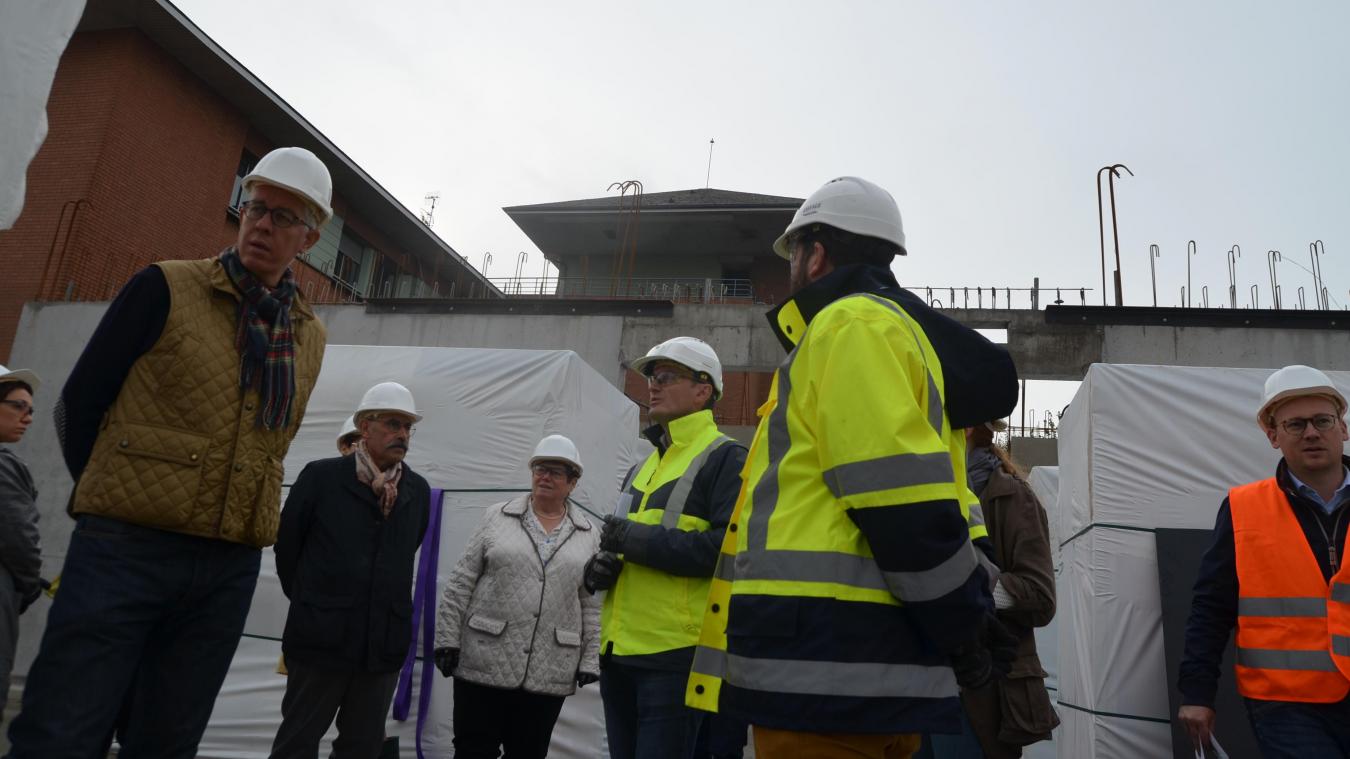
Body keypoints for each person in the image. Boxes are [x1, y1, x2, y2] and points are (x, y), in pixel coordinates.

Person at [8, 146, 332, 756]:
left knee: (167, 741)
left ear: (309, 239)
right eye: (256, 207)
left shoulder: (308, 335)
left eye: (283, 217)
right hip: (124, 551)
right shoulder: (164, 287)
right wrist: (115, 499)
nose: (262, 224)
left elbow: (272, 442)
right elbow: (76, 403)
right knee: (61, 731)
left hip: (225, 567)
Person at [686, 176, 1020, 759]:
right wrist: (966, 614)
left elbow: (900, 505)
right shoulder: (891, 337)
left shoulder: (849, 328)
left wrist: (962, 624)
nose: (791, 267)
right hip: (862, 667)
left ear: (815, 255)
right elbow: (935, 498)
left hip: (825, 668)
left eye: (793, 253)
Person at [582, 337, 748, 759]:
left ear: (703, 389)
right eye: (652, 377)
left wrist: (635, 542)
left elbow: (728, 551)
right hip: (618, 652)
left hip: (676, 656)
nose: (652, 386)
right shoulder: (642, 466)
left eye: (667, 376)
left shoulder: (726, 459)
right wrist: (600, 566)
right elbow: (621, 545)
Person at [1178, 364, 1350, 758]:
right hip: (1287, 705)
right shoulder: (1243, 509)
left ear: (1342, 428)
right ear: (1272, 436)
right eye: (1295, 425)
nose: (1311, 432)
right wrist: (1197, 692)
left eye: (1322, 420)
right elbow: (1211, 606)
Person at [269, 381, 430, 758]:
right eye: (393, 424)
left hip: (381, 647)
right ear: (364, 426)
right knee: (297, 742)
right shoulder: (321, 477)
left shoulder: (417, 491)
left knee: (362, 748)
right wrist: (316, 602)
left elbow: (406, 550)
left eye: (408, 427)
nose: (402, 434)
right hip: (321, 640)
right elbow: (288, 549)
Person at [434, 434, 601, 759]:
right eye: (540, 468)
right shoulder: (497, 517)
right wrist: (446, 640)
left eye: (555, 471)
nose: (545, 476)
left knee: (528, 752)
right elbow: (460, 582)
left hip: (548, 668)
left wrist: (590, 657)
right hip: (483, 659)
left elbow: (590, 602)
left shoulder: (589, 535)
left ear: (573, 482)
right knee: (472, 749)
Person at [924, 421, 1058, 759]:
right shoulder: (924, 491)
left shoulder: (1012, 496)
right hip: (919, 688)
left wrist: (968, 587)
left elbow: (1040, 596)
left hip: (980, 696)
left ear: (966, 428)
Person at [0, 366, 42, 725]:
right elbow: (21, 541)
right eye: (19, 406)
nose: (28, 417)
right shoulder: (3, 468)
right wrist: (28, 587)